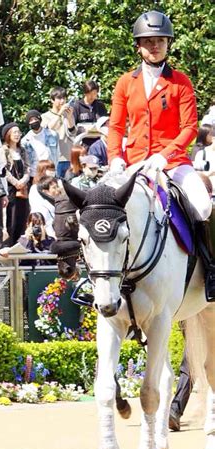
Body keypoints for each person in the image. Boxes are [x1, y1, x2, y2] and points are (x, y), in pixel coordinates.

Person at [107, 10, 215, 300]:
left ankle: (211, 270)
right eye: (148, 41)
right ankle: (100, 279)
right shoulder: (124, 83)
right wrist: (115, 157)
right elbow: (116, 126)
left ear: (168, 43)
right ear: (138, 46)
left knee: (203, 205)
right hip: (135, 164)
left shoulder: (180, 81)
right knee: (103, 207)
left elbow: (190, 127)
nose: (154, 46)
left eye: (160, 41)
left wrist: (165, 156)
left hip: (174, 162)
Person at [0, 122, 31, 245]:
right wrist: (15, 182)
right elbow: (3, 170)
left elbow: (28, 167)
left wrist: (24, 180)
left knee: (23, 217)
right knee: (11, 218)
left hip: (23, 189)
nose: (17, 135)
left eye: (18, 132)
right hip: (10, 189)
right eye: (14, 132)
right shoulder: (3, 151)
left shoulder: (22, 150)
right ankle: (10, 244)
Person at [41, 87, 77, 178]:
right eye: (59, 98)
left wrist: (69, 117)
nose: (62, 101)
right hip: (53, 159)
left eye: (64, 98)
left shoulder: (67, 114)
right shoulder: (45, 116)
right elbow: (47, 130)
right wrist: (60, 113)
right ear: (52, 100)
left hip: (68, 157)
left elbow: (73, 132)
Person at [22, 109, 59, 177]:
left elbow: (57, 154)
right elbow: (26, 162)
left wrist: (55, 170)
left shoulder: (52, 134)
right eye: (31, 120)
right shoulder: (25, 141)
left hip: (50, 172)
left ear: (40, 120)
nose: (34, 122)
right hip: (34, 174)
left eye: (35, 119)